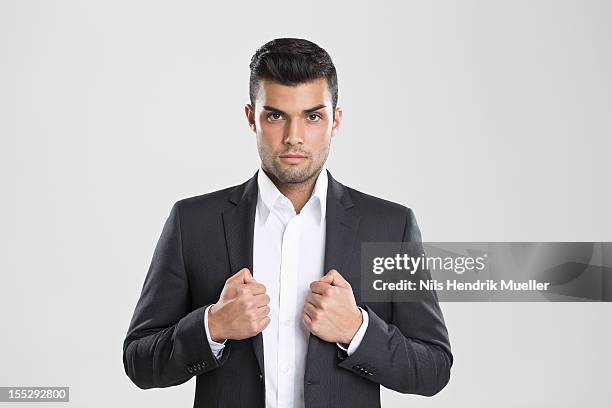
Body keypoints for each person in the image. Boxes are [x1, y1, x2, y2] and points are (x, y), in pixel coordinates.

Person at [123, 37, 452, 408]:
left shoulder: (391, 226)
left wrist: (357, 331)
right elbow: (139, 361)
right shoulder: (193, 222)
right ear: (252, 118)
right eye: (276, 115)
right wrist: (212, 326)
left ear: (335, 121)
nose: (294, 137)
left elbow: (434, 368)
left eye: (313, 117)